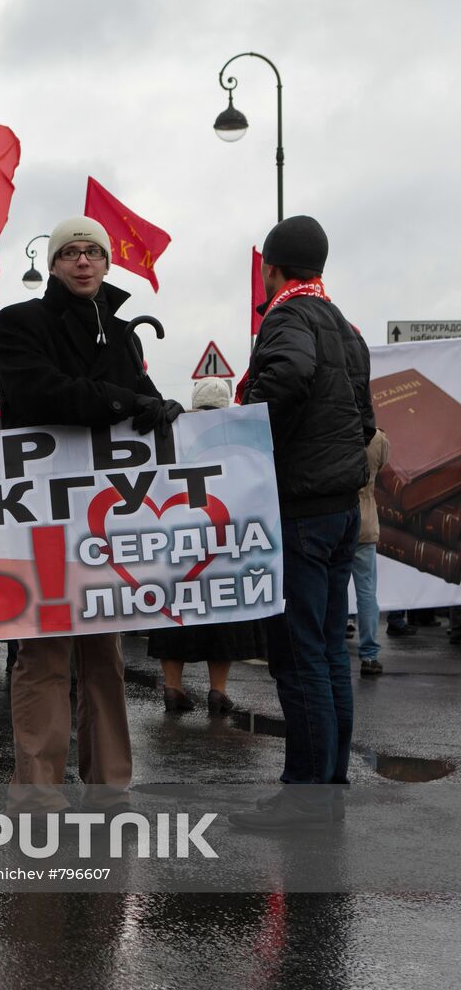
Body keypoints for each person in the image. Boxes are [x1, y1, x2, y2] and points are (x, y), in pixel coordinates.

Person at [0, 216, 180, 812]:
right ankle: (39, 788)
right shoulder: (20, 322)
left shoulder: (123, 335)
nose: (82, 262)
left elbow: (134, 397)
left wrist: (161, 406)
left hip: (105, 522)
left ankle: (109, 785)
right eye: (70, 253)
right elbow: (41, 394)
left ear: (105, 263)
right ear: (53, 264)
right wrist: (127, 401)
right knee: (45, 655)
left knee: (104, 655)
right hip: (42, 515)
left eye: (92, 252)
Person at [230, 215, 374, 831]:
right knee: (329, 654)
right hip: (341, 507)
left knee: (298, 655)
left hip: (301, 510)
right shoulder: (344, 325)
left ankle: (304, 797)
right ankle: (329, 783)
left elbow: (285, 378)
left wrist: (251, 440)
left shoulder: (287, 317)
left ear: (273, 268)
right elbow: (365, 419)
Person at [149, 378, 264, 714]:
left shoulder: (175, 433)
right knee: (223, 610)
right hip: (224, 539)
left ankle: (172, 687)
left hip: (177, 538)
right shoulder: (237, 437)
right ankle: (218, 691)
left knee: (175, 609)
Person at [352, 428, 390, 675]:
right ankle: (369, 655)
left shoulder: (338, 429)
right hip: (367, 518)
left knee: (331, 590)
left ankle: (329, 648)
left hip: (339, 515)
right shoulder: (379, 439)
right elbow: (382, 464)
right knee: (367, 592)